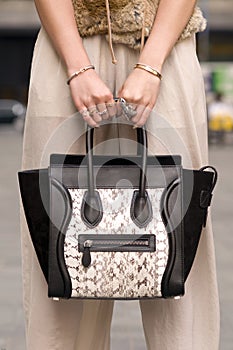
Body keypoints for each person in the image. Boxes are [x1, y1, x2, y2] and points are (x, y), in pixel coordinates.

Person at [20, 0, 220, 349]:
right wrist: (78, 66)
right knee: (56, 242)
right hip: (67, 39)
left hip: (164, 39)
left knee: (180, 242)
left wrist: (152, 65)